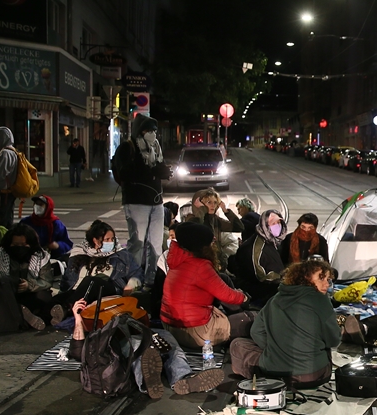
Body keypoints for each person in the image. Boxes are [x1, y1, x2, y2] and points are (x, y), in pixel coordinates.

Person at [64, 298, 223, 399]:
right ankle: (147, 383)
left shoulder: (120, 300)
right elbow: (78, 351)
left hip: (142, 331)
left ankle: (182, 379)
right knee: (139, 348)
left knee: (169, 343)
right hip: (117, 343)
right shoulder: (90, 322)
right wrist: (77, 319)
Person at [230, 257, 340, 388]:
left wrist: (276, 349)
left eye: (328, 280)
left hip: (276, 374)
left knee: (237, 345)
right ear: (304, 278)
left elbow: (256, 332)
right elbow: (334, 340)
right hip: (315, 376)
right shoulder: (321, 300)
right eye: (321, 278)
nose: (327, 284)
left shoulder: (274, 300)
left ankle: (257, 377)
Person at [161, 222, 252, 349]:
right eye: (211, 242)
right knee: (253, 320)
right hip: (195, 332)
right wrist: (244, 298)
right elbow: (227, 295)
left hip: (171, 327)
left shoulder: (178, 260)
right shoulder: (200, 267)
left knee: (223, 279)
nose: (213, 244)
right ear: (202, 246)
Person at [112, 115, 170, 285]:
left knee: (156, 244)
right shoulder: (127, 147)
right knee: (137, 243)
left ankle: (152, 279)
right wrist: (148, 171)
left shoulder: (156, 147)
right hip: (136, 201)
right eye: (147, 130)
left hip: (156, 201)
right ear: (139, 131)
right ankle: (134, 279)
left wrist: (163, 171)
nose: (152, 134)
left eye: (154, 130)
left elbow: (160, 167)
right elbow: (124, 172)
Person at [52, 219, 144, 324]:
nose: (111, 242)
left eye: (112, 239)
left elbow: (137, 272)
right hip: (79, 292)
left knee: (92, 281)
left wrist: (131, 285)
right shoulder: (78, 253)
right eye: (107, 239)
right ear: (96, 241)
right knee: (55, 299)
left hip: (106, 289)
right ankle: (40, 318)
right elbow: (68, 280)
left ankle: (67, 308)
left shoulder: (122, 254)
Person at [0, 224, 56, 329]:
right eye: (16, 245)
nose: (19, 248)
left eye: (24, 245)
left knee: (44, 298)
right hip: (5, 295)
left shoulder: (41, 257)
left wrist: (29, 285)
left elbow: (46, 281)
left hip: (30, 293)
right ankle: (25, 317)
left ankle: (29, 317)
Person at [234, 209, 288, 303]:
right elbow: (263, 276)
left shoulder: (272, 241)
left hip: (270, 291)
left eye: (279, 222)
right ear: (264, 224)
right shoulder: (257, 246)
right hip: (260, 296)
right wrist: (287, 278)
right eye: (272, 223)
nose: (277, 226)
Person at [21, 195, 73, 261]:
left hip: (51, 258)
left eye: (41, 204)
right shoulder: (26, 222)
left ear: (48, 207)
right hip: (28, 258)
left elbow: (67, 243)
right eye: (36, 204)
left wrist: (57, 245)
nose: (37, 206)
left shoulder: (56, 224)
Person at [0, 127, 20, 228]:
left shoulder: (5, 153)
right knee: (7, 216)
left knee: (0, 217)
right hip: (9, 191)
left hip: (3, 191)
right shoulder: (13, 151)